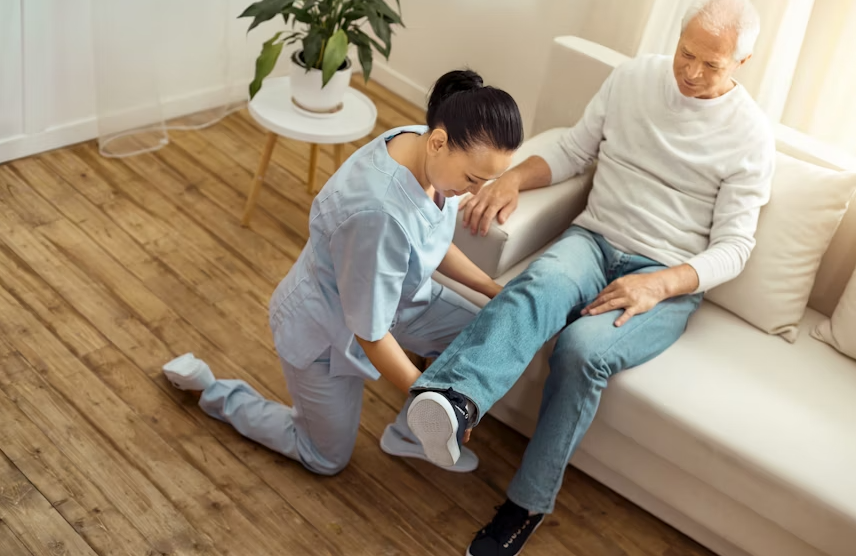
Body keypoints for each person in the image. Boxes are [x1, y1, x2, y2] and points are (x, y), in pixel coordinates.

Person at [405, 1, 775, 554]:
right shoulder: (634, 79)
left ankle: (526, 506)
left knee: (580, 350)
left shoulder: (750, 137)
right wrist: (513, 179)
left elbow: (736, 248)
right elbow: (574, 148)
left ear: (742, 63)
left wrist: (659, 284)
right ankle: (453, 401)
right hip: (594, 241)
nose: (692, 71)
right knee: (537, 287)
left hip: (665, 277)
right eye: (686, 53)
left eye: (711, 64)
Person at [161, 70, 523, 476]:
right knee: (325, 458)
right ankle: (212, 390)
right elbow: (370, 332)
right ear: (439, 142)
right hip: (327, 330)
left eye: (486, 181)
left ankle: (408, 436)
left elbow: (429, 239)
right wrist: (433, 407)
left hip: (395, 302)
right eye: (473, 179)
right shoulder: (378, 214)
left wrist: (492, 289)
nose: (475, 191)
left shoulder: (422, 146)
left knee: (483, 335)